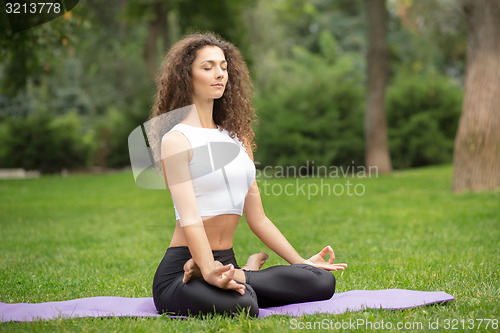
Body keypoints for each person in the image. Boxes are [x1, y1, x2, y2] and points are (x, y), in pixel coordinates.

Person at [149, 32, 347, 318]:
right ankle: (228, 276)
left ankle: (244, 274)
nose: (220, 74)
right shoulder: (177, 141)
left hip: (228, 263)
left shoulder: (238, 139)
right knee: (245, 306)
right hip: (182, 270)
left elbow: (258, 218)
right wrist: (206, 268)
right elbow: (190, 217)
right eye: (208, 67)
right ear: (186, 76)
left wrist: (302, 262)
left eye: (223, 67)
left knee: (322, 280)